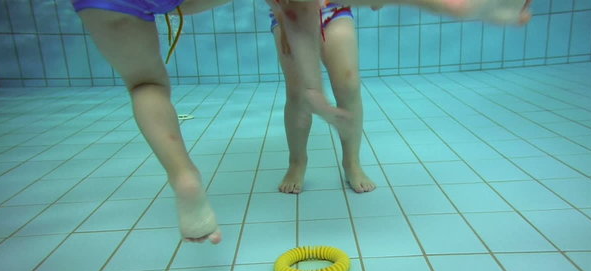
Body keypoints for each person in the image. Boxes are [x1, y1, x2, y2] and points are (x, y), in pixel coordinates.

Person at [70, 0, 532, 244]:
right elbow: (296, 12)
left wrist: (320, 97)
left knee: (145, 84)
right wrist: (314, 96)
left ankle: (185, 178)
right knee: (305, 81)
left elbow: (297, 13)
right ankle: (456, 4)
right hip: (303, 14)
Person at [269, 0, 377, 194]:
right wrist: (281, 15)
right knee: (297, 92)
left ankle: (352, 162)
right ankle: (297, 162)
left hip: (334, 9)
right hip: (290, 12)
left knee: (349, 83)